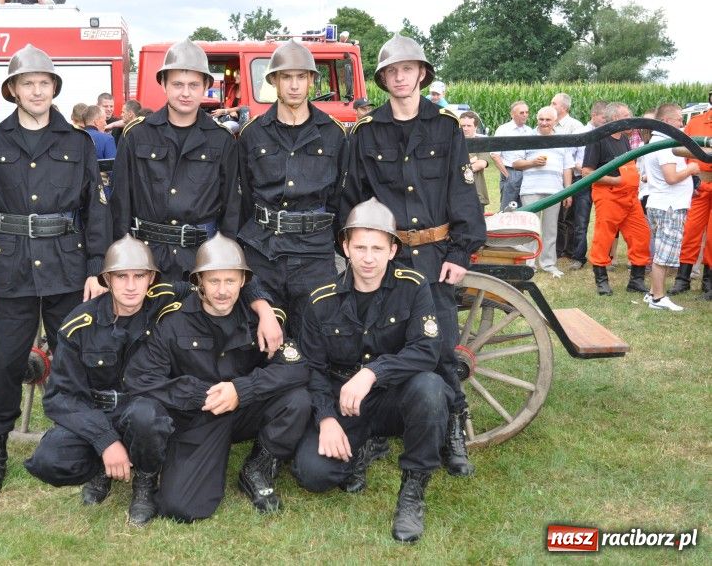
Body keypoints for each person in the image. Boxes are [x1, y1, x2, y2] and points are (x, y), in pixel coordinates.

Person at [24, 234, 282, 524]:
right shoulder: (79, 325)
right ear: (107, 279)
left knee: (146, 416)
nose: (131, 286)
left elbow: (222, 278)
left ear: (151, 278)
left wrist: (264, 310)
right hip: (97, 410)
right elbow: (62, 398)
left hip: (147, 406)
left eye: (139, 276)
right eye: (121, 276)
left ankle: (144, 483)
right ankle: (102, 466)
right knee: (50, 459)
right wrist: (104, 440)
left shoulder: (167, 297)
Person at [0, 44, 113, 494]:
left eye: (44, 83)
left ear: (54, 89)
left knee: (77, 359)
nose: (36, 90)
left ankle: (87, 445)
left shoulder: (77, 142)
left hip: (67, 267)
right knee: (6, 362)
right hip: (10, 270)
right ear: (13, 90)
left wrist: (96, 269)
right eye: (27, 83)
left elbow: (96, 211)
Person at [341, 33, 486, 478]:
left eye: (408, 68)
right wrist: (356, 251)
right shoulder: (366, 132)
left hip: (435, 253)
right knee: (382, 339)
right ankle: (384, 424)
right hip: (386, 255)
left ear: (422, 73)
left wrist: (460, 250)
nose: (400, 77)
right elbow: (353, 197)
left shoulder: (445, 125)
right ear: (383, 79)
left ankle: (453, 428)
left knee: (440, 343)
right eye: (391, 71)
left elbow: (462, 192)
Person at [291, 198, 450, 544]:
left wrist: (373, 372)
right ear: (345, 247)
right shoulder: (320, 300)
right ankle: (360, 449)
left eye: (378, 248)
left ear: (393, 250)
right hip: (345, 403)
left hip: (395, 398)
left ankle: (413, 487)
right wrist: (325, 419)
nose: (368, 258)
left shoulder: (413, 286)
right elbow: (313, 369)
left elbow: (426, 349)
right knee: (312, 474)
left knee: (431, 387)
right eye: (359, 247)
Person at [125, 233, 311, 522]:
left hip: (244, 409)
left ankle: (258, 466)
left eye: (230, 281)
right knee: (180, 508)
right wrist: (199, 394)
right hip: (199, 415)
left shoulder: (260, 321)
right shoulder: (173, 321)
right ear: (198, 281)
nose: (223, 291)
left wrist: (242, 389)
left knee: (296, 400)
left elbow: (296, 366)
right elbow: (140, 378)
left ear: (244, 282)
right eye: (214, 281)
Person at [237, 40, 346, 335]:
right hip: (264, 251)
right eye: (286, 77)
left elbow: (339, 196)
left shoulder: (333, 134)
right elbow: (246, 196)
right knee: (261, 339)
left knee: (316, 337)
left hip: (314, 253)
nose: (294, 85)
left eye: (301, 77)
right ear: (273, 80)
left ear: (311, 80)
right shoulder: (252, 134)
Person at [112, 39, 240, 283]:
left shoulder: (221, 140)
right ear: (163, 84)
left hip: (201, 258)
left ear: (205, 87)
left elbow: (231, 206)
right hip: (146, 258)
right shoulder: (137, 135)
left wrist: (225, 261)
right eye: (178, 84)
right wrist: (123, 258)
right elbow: (120, 203)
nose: (185, 92)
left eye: (193, 85)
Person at [582, 102, 651, 296]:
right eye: (626, 116)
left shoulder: (624, 139)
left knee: (641, 235)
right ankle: (601, 280)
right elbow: (587, 172)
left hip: (630, 197)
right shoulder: (598, 139)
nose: (631, 120)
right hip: (609, 195)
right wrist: (616, 180)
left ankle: (636, 281)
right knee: (604, 238)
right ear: (615, 119)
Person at [642, 104, 699, 311]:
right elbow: (671, 177)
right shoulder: (665, 145)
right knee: (663, 255)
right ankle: (658, 298)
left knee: (661, 251)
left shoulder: (655, 141)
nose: (681, 124)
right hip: (669, 206)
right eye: (678, 120)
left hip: (661, 202)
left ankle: (652, 293)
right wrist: (692, 169)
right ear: (666, 122)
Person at [511, 106, 574, 277]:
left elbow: (567, 168)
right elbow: (515, 163)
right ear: (536, 119)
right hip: (531, 189)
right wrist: (532, 163)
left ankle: (548, 264)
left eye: (548, 120)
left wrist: (568, 191)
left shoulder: (562, 140)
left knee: (551, 228)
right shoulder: (527, 137)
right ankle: (529, 263)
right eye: (541, 119)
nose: (544, 123)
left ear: (555, 121)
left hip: (555, 191)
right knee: (531, 229)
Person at [669, 93, 712, 300]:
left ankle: (709, 283)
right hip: (700, 184)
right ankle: (682, 278)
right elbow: (682, 151)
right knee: (690, 231)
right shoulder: (696, 123)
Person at [569, 101, 608, 270]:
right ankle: (578, 257)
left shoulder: (607, 135)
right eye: (603, 117)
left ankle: (603, 256)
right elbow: (569, 157)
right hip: (583, 181)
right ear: (594, 115)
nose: (606, 121)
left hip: (604, 182)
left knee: (605, 221)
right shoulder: (580, 133)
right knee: (581, 221)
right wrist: (583, 169)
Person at [550, 93, 584, 260]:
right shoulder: (550, 124)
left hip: (571, 173)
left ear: (564, 107)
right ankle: (557, 248)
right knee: (556, 215)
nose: (551, 106)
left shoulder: (575, 126)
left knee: (569, 215)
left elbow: (577, 154)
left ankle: (569, 250)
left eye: (554, 103)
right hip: (555, 174)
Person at [490, 101, 533, 210]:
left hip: (527, 172)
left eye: (527, 112)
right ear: (512, 114)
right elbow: (495, 155)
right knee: (508, 209)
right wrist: (507, 175)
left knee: (525, 208)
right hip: (510, 171)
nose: (525, 115)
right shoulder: (503, 130)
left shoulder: (529, 131)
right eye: (521, 112)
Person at [459, 111, 498, 211]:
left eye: (469, 125)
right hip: (455, 194)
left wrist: (458, 167)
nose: (465, 128)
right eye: (463, 125)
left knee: (477, 226)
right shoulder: (452, 143)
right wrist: (472, 160)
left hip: (477, 193)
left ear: (475, 127)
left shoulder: (482, 143)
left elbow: (481, 164)